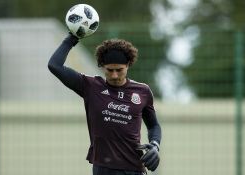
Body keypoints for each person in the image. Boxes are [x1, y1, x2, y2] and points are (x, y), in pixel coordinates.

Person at [48, 33, 162, 175]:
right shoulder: (90, 86)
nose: (114, 75)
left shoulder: (142, 91)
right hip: (102, 169)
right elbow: (55, 65)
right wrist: (72, 38)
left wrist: (155, 146)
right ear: (102, 67)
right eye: (110, 70)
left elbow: (154, 125)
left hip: (133, 169)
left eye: (119, 70)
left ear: (128, 65)